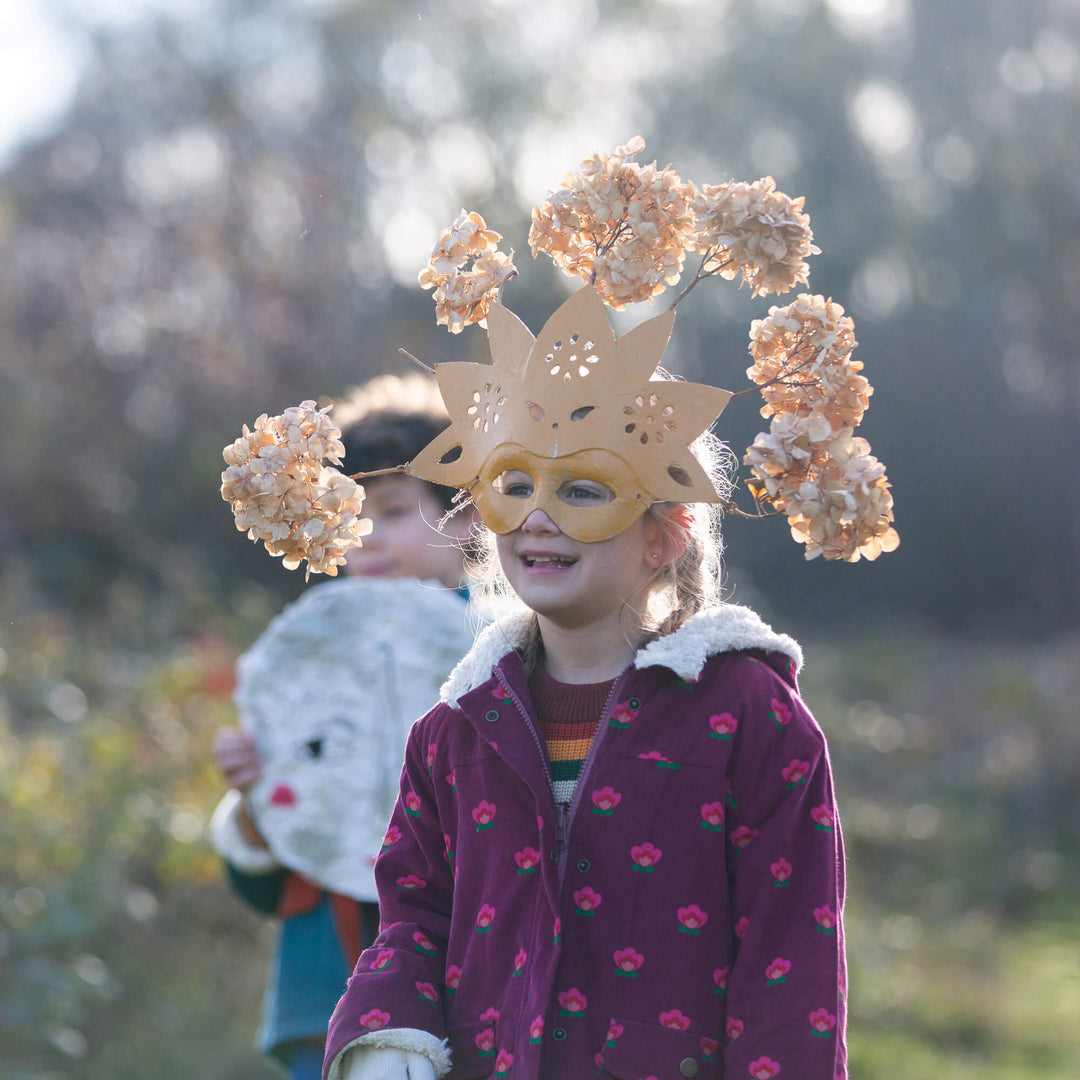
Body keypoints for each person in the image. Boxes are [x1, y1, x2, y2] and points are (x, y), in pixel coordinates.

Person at [322, 287, 847, 1080]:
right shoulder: (452, 733)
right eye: (515, 485)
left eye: (583, 489)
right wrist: (388, 1033)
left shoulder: (748, 715)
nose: (538, 517)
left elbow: (789, 961)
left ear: (665, 533)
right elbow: (414, 917)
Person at [210, 373, 477, 1080]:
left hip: (480, 991)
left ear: (471, 517)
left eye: (391, 510)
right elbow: (267, 884)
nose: (365, 536)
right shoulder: (309, 658)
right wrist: (252, 803)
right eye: (344, 516)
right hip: (326, 989)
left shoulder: (512, 650)